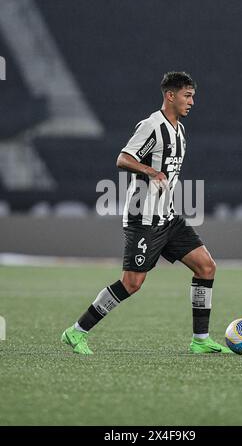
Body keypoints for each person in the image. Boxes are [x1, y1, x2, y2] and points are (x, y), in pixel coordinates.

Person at [61, 71, 231, 355]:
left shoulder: (180, 130)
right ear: (170, 95)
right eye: (187, 96)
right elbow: (123, 158)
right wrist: (149, 170)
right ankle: (76, 332)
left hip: (169, 217)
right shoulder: (152, 126)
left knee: (206, 266)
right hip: (144, 219)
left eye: (193, 97)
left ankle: (200, 339)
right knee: (132, 283)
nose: (192, 102)